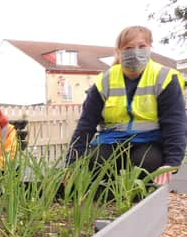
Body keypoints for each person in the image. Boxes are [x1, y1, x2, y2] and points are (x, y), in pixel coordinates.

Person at [66, 26, 186, 185]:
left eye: (142, 46)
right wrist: (71, 164)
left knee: (146, 162)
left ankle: (142, 200)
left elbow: (175, 123)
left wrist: (171, 163)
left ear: (150, 47)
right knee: (96, 160)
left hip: (150, 141)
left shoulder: (164, 77)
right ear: (118, 51)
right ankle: (108, 200)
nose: (135, 52)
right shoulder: (105, 80)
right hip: (112, 141)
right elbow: (86, 124)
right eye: (128, 48)